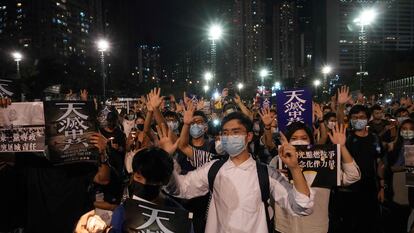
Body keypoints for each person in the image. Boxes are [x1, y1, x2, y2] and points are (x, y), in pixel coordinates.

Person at [165, 112, 314, 233]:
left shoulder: (266, 173)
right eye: (225, 133)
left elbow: (301, 207)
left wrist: (294, 168)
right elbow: (181, 188)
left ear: (248, 136)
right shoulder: (213, 168)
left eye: (235, 132)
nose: (229, 137)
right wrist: (166, 158)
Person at [268, 122, 360, 233]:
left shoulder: (323, 161)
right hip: (285, 226)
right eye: (294, 138)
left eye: (304, 138)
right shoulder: (277, 160)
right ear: (287, 141)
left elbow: (353, 176)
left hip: (316, 227)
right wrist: (275, 176)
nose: (299, 141)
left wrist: (342, 147)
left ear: (311, 141)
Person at [334, 105, 385, 233]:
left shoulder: (375, 138)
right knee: (349, 223)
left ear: (368, 119)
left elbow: (379, 163)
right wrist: (340, 106)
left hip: (369, 188)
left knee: (368, 223)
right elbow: (339, 123)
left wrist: (382, 187)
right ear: (350, 119)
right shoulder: (346, 137)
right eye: (355, 117)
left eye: (362, 117)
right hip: (349, 189)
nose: (358, 120)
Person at [386, 119, 414, 233]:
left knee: (405, 218)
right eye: (404, 129)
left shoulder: (412, 147)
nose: (408, 131)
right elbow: (388, 167)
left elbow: (411, 172)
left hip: (409, 188)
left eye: (411, 129)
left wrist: (400, 168)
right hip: (394, 184)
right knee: (394, 219)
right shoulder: (393, 145)